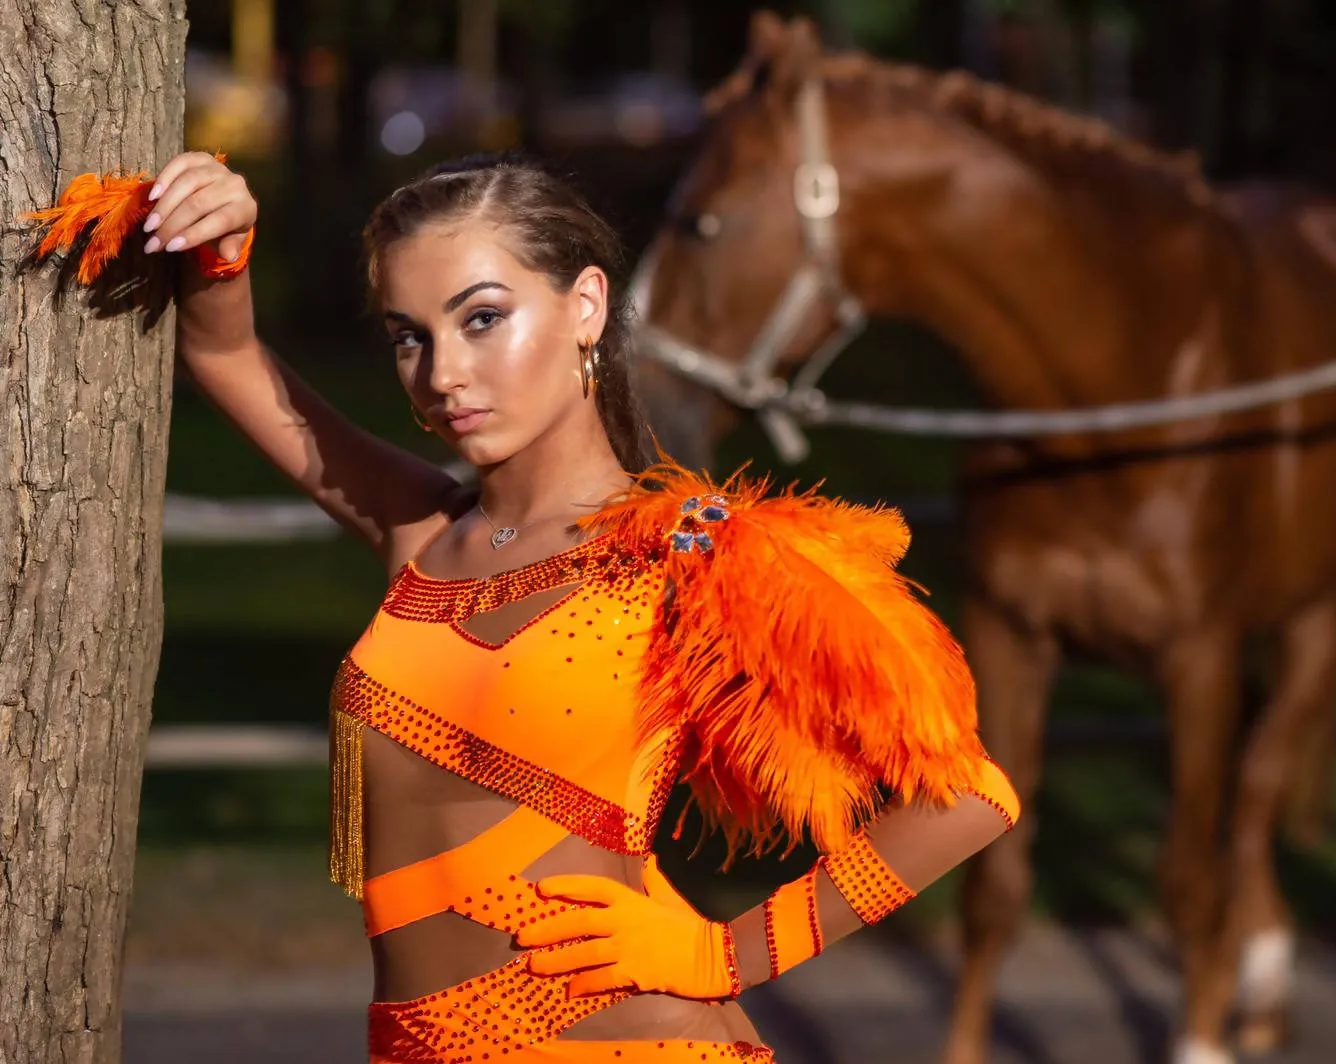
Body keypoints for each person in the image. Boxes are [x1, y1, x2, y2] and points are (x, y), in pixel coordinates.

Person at [28, 150, 1021, 1063]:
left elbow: (969, 795)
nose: (443, 373)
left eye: (482, 317)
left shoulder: (693, 553)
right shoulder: (421, 529)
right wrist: (220, 246)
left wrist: (730, 953)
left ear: (585, 304)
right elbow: (229, 357)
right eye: (408, 336)